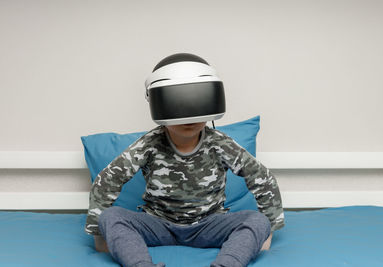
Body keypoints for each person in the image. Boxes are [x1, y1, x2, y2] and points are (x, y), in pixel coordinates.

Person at [85, 53, 285, 267]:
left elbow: (260, 177)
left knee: (257, 220)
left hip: (209, 225)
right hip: (157, 224)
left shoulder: (220, 144)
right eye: (177, 103)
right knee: (111, 217)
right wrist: (99, 233)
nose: (189, 116)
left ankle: (227, 264)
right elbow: (108, 180)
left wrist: (268, 229)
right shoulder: (149, 144)